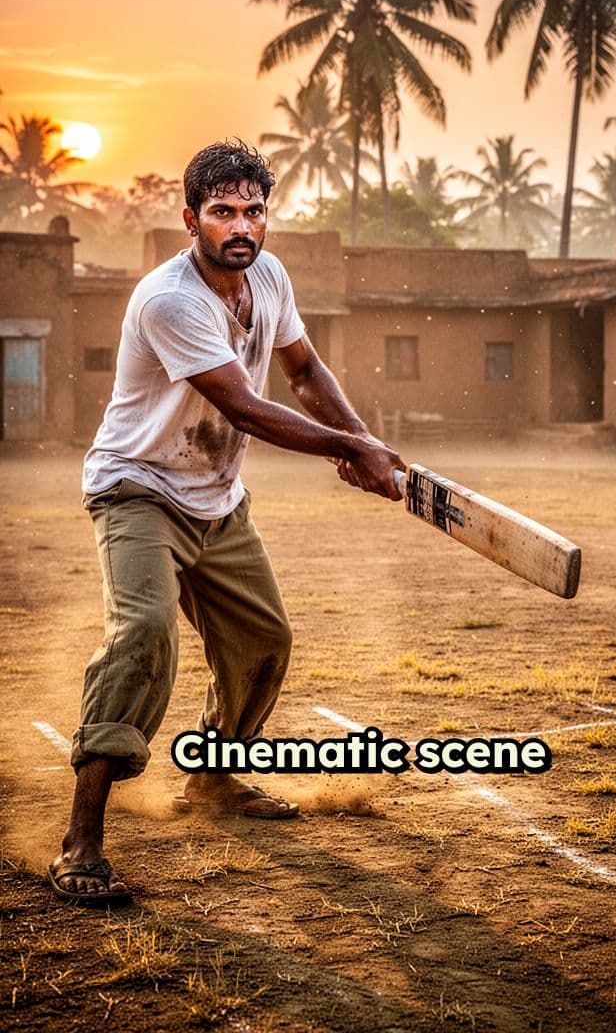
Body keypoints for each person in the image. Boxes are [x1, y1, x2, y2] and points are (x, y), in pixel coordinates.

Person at [48, 139, 404, 908]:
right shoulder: (170, 299)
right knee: (144, 634)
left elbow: (304, 371)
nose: (241, 226)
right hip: (139, 490)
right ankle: (81, 839)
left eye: (253, 210)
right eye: (222, 212)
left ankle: (212, 777)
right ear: (191, 220)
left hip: (217, 495)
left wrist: (362, 439)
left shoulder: (268, 277)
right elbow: (243, 405)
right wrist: (350, 450)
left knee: (263, 641)